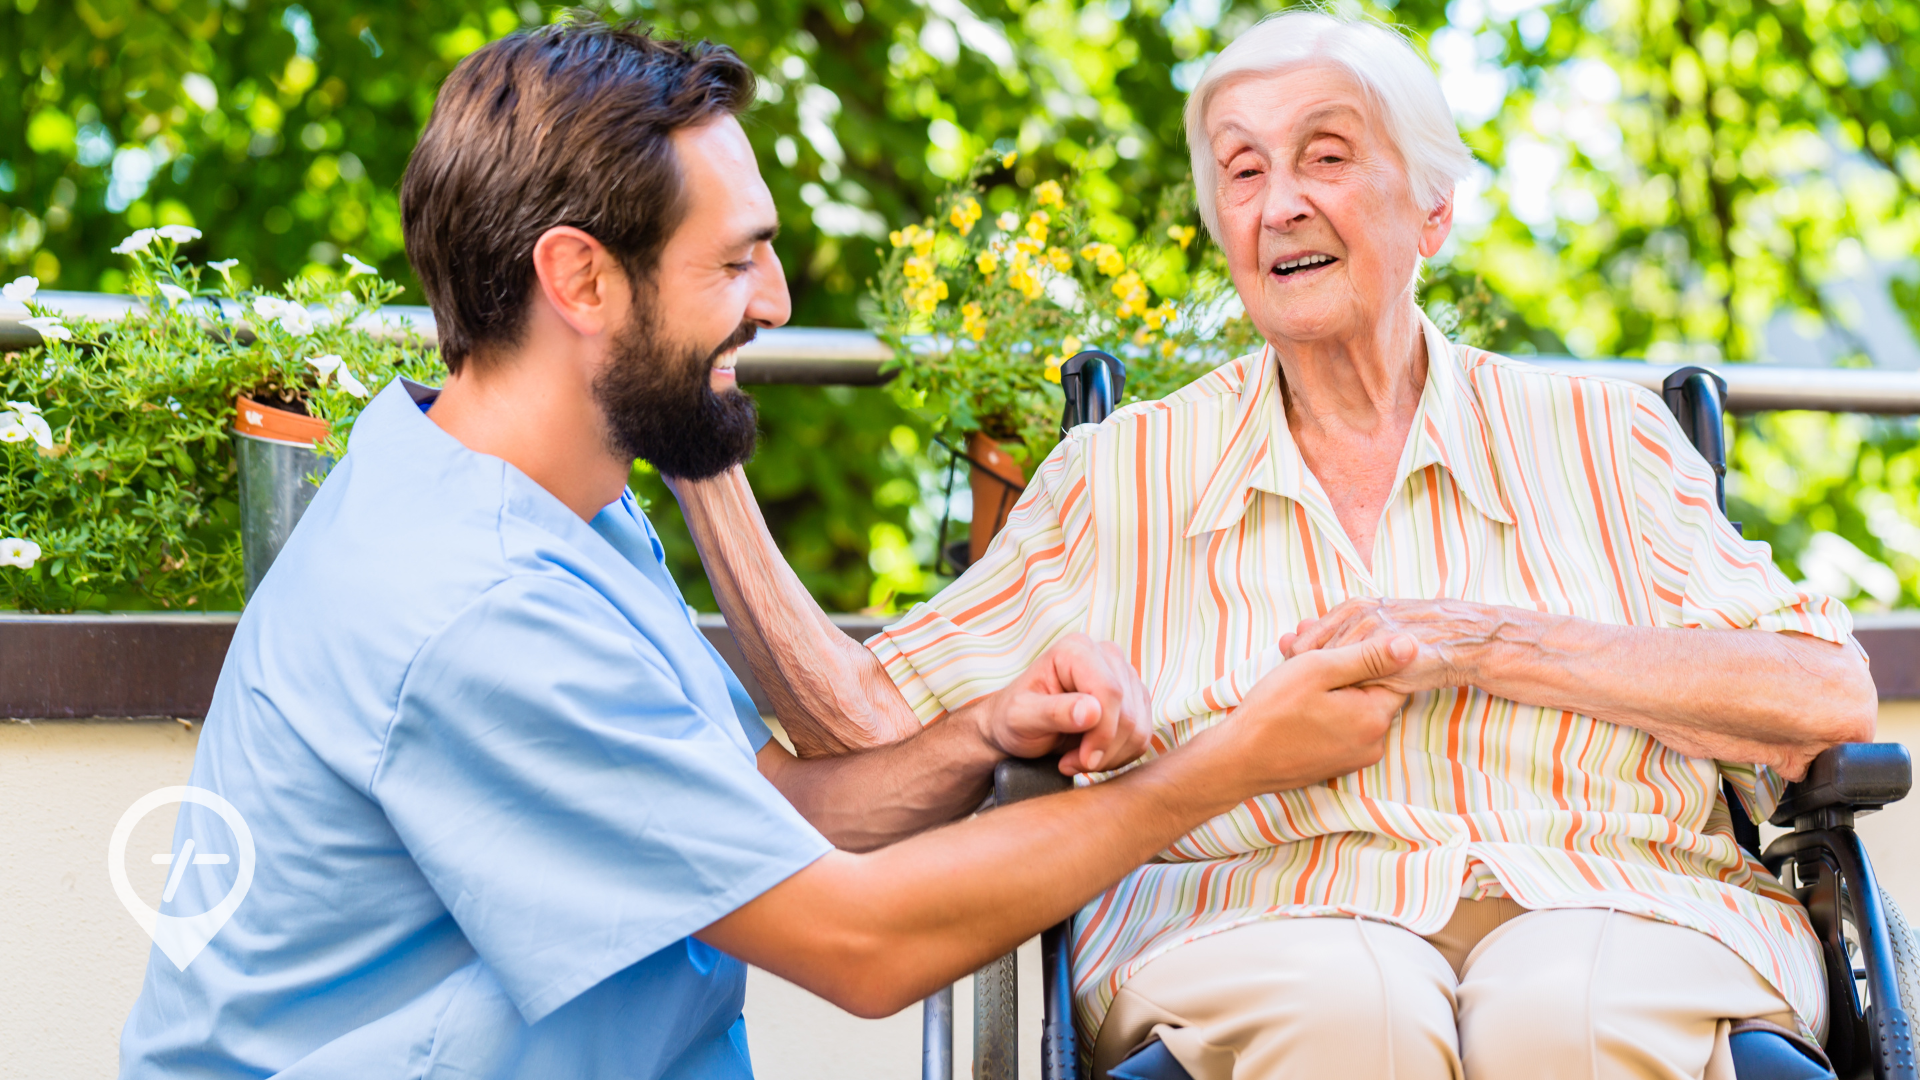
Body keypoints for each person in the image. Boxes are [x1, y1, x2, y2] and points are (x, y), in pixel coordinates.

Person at [116, 19, 1426, 1080]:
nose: (778, 303)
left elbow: (771, 819)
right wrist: (1229, 763)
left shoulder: (563, 510)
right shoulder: (466, 602)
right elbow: (857, 944)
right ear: (581, 281)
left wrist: (983, 734)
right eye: (736, 262)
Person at [672, 11, 1880, 1080]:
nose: (1279, 201)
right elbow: (866, 727)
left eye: (1327, 156)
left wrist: (1481, 639)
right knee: (1344, 1015)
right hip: (1255, 922)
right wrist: (699, 452)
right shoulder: (1126, 475)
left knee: (1564, 1016)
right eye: (1242, 172)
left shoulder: (1603, 439)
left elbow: (1822, 698)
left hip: (1624, 904)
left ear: (1436, 210)